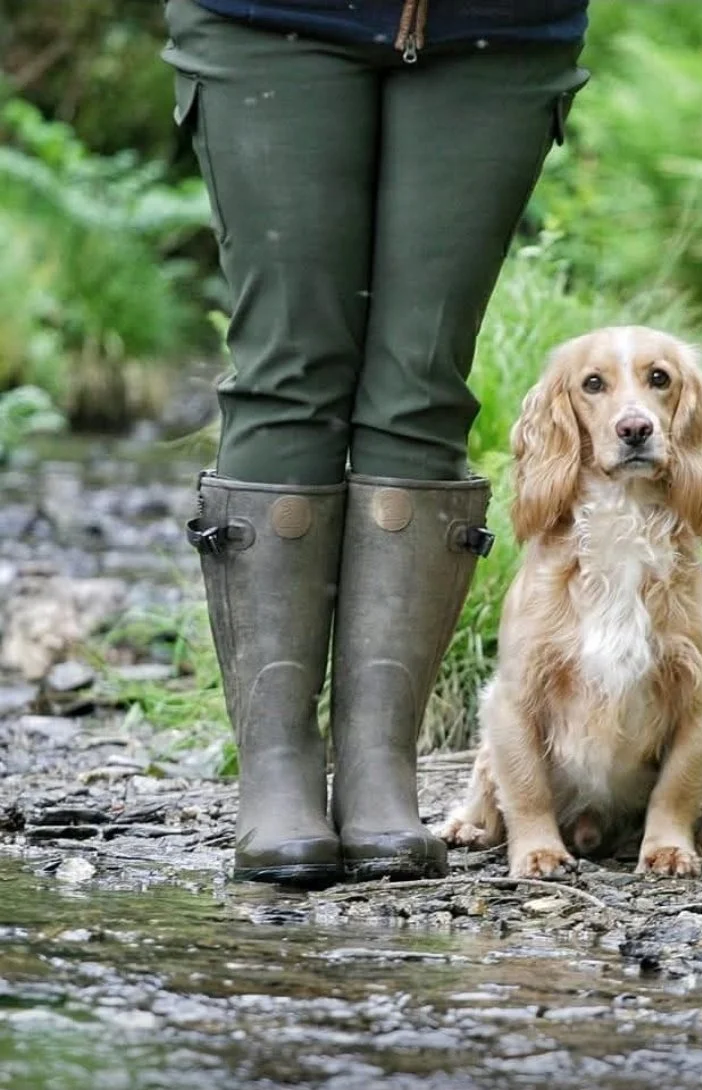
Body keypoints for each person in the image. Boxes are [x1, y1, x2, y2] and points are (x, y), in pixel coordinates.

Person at [161, 0, 590, 888]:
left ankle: (377, 769)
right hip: (269, 15)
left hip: (498, 26)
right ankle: (276, 770)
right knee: (288, 372)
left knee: (423, 386)